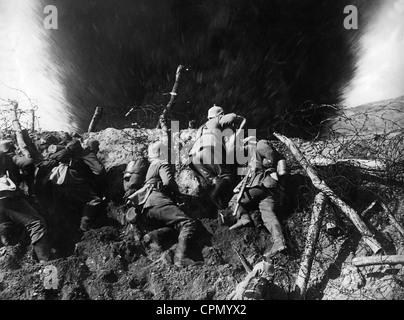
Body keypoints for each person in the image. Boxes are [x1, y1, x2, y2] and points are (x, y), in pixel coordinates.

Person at [126, 140, 200, 268]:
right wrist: (178, 194)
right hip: (157, 200)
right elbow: (167, 182)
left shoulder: (150, 166)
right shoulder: (161, 163)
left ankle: (153, 236)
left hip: (145, 204)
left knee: (175, 226)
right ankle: (181, 258)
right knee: (188, 224)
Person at [228, 139, 289, 259]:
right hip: (270, 189)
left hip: (259, 183)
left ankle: (244, 218)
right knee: (268, 215)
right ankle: (279, 242)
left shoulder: (259, 144)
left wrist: (269, 164)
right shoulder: (249, 159)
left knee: (234, 201)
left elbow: (268, 154)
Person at [0, 140, 51, 262]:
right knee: (36, 223)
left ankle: (8, 254)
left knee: (6, 224)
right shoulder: (10, 157)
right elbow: (28, 163)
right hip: (6, 196)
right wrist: (28, 179)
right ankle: (45, 263)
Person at [189, 104, 246, 210]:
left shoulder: (201, 128)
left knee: (216, 181)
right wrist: (237, 117)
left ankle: (219, 209)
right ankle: (213, 196)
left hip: (194, 157)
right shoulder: (216, 120)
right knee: (227, 176)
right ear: (220, 115)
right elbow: (232, 117)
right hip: (208, 150)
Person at [49, 138, 106, 232]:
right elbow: (99, 170)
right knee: (94, 200)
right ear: (92, 148)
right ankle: (84, 226)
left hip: (60, 176)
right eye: (97, 148)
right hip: (73, 177)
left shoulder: (74, 152)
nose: (98, 150)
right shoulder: (88, 153)